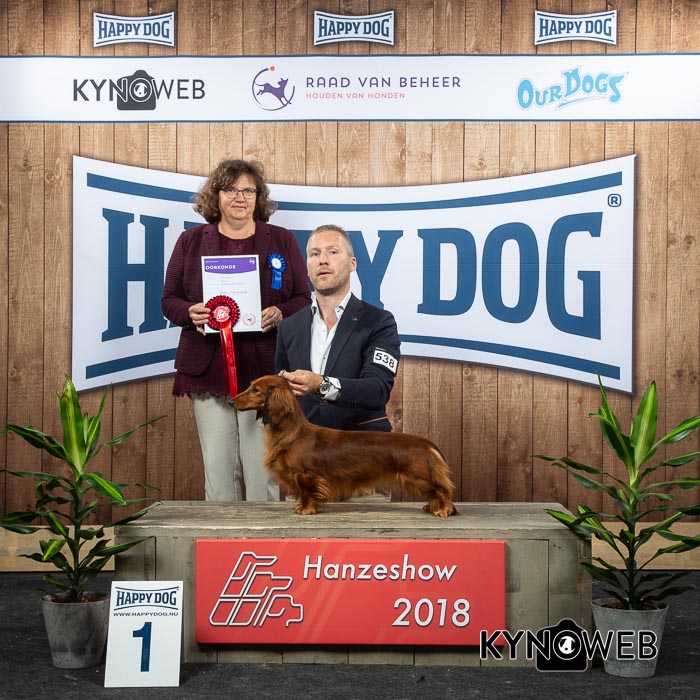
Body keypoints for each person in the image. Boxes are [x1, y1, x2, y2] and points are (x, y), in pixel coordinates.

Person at [162, 159, 311, 501]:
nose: (239, 197)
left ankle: (264, 535)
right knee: (218, 474)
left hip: (264, 371)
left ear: (259, 197)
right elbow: (169, 300)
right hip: (207, 369)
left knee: (264, 474)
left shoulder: (282, 240)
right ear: (216, 195)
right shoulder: (190, 241)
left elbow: (303, 298)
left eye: (248, 190)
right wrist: (190, 313)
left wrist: (281, 311)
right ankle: (222, 536)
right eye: (230, 189)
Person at [275, 224, 400, 432]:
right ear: (307, 268)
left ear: (352, 264)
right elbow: (282, 394)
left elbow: (377, 391)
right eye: (315, 254)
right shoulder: (288, 327)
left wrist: (321, 385)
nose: (323, 260)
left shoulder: (379, 322)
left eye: (333, 252)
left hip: (360, 444)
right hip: (303, 446)